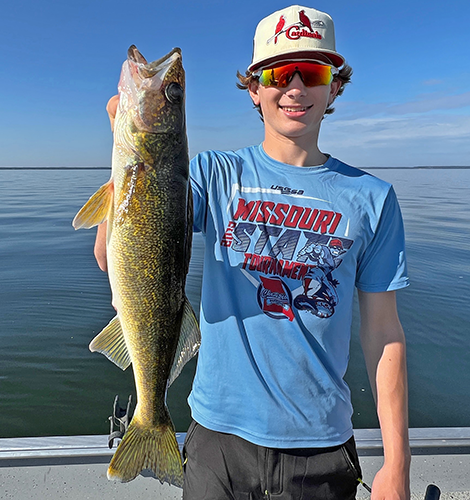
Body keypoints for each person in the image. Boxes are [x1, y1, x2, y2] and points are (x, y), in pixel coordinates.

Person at [96, 5, 411, 499]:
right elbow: (116, 248)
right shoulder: (211, 175)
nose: (295, 87)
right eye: (279, 73)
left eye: (313, 72)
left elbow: (384, 334)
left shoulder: (373, 199)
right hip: (216, 440)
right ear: (254, 87)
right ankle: (149, 418)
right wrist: (124, 146)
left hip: (321, 447)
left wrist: (397, 462)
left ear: (334, 86)